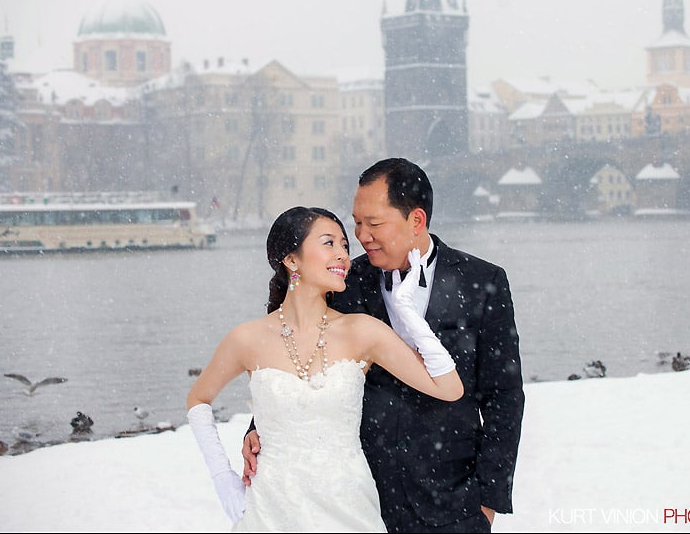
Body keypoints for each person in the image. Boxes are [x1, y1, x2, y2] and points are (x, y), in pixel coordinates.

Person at [243, 158, 525, 532]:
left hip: (454, 500)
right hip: (359, 498)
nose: (361, 235)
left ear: (416, 221)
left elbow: (504, 396)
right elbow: (300, 359)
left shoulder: (483, 281)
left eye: (374, 223)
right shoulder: (344, 283)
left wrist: (488, 501)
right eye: (357, 223)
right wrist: (257, 425)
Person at [186, 206, 464, 532]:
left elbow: (448, 387)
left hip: (347, 507)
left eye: (345, 247)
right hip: (271, 510)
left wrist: (408, 313)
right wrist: (224, 480)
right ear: (291, 259)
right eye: (329, 243)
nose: (344, 256)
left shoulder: (362, 331)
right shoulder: (247, 338)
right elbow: (198, 401)